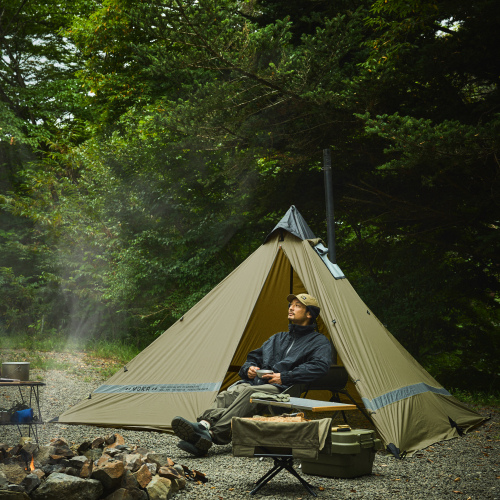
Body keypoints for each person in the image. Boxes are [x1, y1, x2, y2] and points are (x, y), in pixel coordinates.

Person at [171, 293, 332, 456]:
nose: (291, 307)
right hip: (258, 382)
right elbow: (254, 357)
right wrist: (248, 369)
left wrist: (285, 377)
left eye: (297, 305)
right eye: (291, 304)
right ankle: (203, 429)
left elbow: (319, 366)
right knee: (230, 393)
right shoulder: (278, 338)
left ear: (309, 314)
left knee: (249, 393)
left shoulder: (318, 342)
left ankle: (213, 434)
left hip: (284, 389)